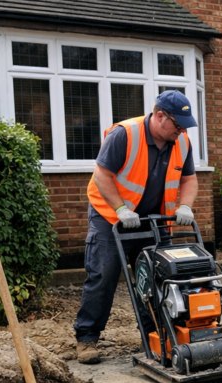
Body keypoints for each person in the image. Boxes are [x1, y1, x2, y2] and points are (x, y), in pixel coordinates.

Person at [74, 91, 198, 364]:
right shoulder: (124, 134)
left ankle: (156, 335)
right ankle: (87, 338)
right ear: (160, 115)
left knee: (155, 277)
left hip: (153, 221)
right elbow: (101, 175)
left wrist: (185, 206)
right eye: (177, 125)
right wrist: (120, 209)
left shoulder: (182, 142)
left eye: (184, 126)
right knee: (104, 274)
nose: (181, 131)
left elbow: (189, 180)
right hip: (111, 216)